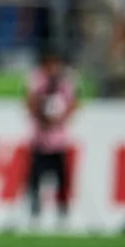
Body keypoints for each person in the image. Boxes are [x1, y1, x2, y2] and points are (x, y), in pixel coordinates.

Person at [25, 53, 77, 224]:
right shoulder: (36, 78)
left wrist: (58, 119)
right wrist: (42, 117)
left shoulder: (65, 80)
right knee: (35, 177)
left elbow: (72, 104)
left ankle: (62, 211)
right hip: (39, 139)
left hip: (58, 140)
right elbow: (30, 101)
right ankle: (34, 210)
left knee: (62, 178)